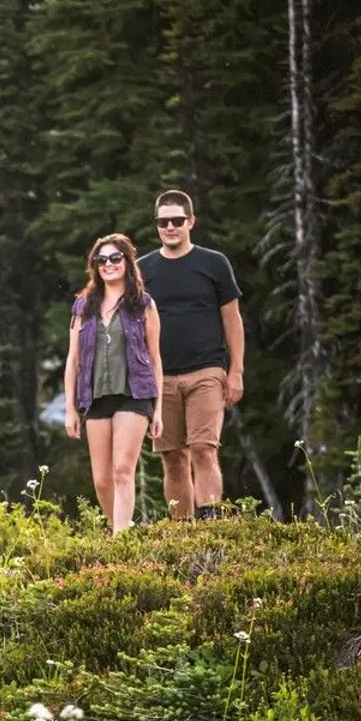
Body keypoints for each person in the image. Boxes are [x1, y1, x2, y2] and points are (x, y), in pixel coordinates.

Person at [138, 190, 244, 520]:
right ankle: (182, 530)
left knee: (203, 449)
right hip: (161, 377)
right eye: (163, 222)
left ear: (191, 222)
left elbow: (232, 318)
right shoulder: (143, 269)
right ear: (157, 225)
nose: (170, 227)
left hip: (207, 372)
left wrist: (236, 370)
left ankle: (210, 521)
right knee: (172, 456)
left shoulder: (214, 263)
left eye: (177, 221)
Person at [64, 235, 164, 533]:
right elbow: (73, 361)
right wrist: (70, 409)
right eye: (101, 260)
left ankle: (121, 542)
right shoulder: (83, 307)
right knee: (102, 480)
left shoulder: (144, 305)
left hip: (134, 394)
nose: (108, 264)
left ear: (127, 262)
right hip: (95, 396)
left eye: (115, 258)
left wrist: (158, 410)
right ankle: (121, 527)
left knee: (123, 470)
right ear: (95, 266)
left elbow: (156, 358)